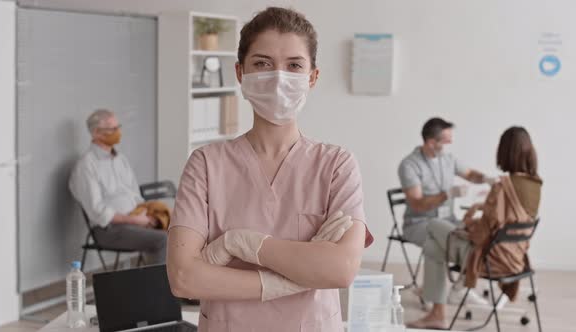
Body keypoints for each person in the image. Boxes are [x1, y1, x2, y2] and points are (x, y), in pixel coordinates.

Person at [166, 7, 373, 331]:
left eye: (294, 66)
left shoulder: (336, 165)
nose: (279, 77)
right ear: (240, 73)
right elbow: (183, 278)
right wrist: (293, 275)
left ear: (312, 77)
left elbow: (342, 270)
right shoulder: (206, 164)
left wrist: (240, 243)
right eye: (262, 63)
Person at [407, 126, 542, 329]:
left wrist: (469, 220)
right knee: (433, 248)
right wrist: (483, 208)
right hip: (514, 257)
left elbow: (480, 236)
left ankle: (439, 310)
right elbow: (508, 221)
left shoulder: (502, 186)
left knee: (433, 226)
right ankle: (444, 302)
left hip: (487, 258)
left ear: (504, 151)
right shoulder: (535, 184)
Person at [398, 117, 494, 305]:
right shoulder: (409, 165)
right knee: (446, 243)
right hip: (419, 224)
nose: (450, 142)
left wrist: (486, 179)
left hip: (448, 219)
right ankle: (446, 292)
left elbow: (470, 174)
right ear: (431, 142)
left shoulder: (447, 159)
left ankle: (455, 288)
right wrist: (447, 194)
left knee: (477, 235)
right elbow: (417, 204)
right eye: (446, 139)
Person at [69, 109, 167, 264]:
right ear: (96, 133)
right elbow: (97, 211)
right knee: (164, 240)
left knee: (185, 231)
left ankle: (181, 285)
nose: (118, 132)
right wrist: (133, 220)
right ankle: (159, 287)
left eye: (118, 127)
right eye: (112, 129)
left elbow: (135, 195)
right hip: (110, 230)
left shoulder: (120, 159)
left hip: (136, 219)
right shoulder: (86, 166)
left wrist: (145, 216)